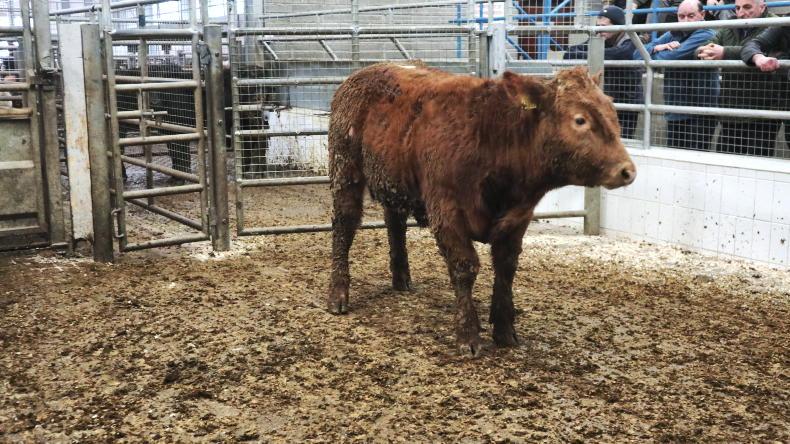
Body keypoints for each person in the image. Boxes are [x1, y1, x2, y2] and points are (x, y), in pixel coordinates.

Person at [697, 0, 781, 156]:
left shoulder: (775, 23)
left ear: (762, 6)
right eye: (737, 8)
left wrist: (725, 52)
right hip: (731, 110)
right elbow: (704, 48)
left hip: (762, 113)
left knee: (757, 163)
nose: (741, 12)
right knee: (725, 162)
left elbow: (765, 52)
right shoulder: (730, 25)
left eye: (747, 7)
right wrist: (704, 51)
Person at [634, 0, 719, 150]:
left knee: (695, 157)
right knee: (673, 154)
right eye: (681, 16)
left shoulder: (706, 34)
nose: (685, 21)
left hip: (700, 112)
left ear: (702, 14)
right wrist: (658, 47)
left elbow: (671, 58)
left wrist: (655, 54)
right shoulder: (672, 34)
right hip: (676, 109)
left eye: (691, 16)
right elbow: (636, 54)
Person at [564, 5, 644, 138]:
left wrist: (591, 54)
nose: (600, 29)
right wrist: (593, 54)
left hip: (626, 103)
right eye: (598, 26)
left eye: (604, 26)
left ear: (617, 26)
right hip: (605, 101)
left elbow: (618, 54)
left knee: (622, 140)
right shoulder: (600, 37)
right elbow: (570, 53)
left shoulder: (630, 40)